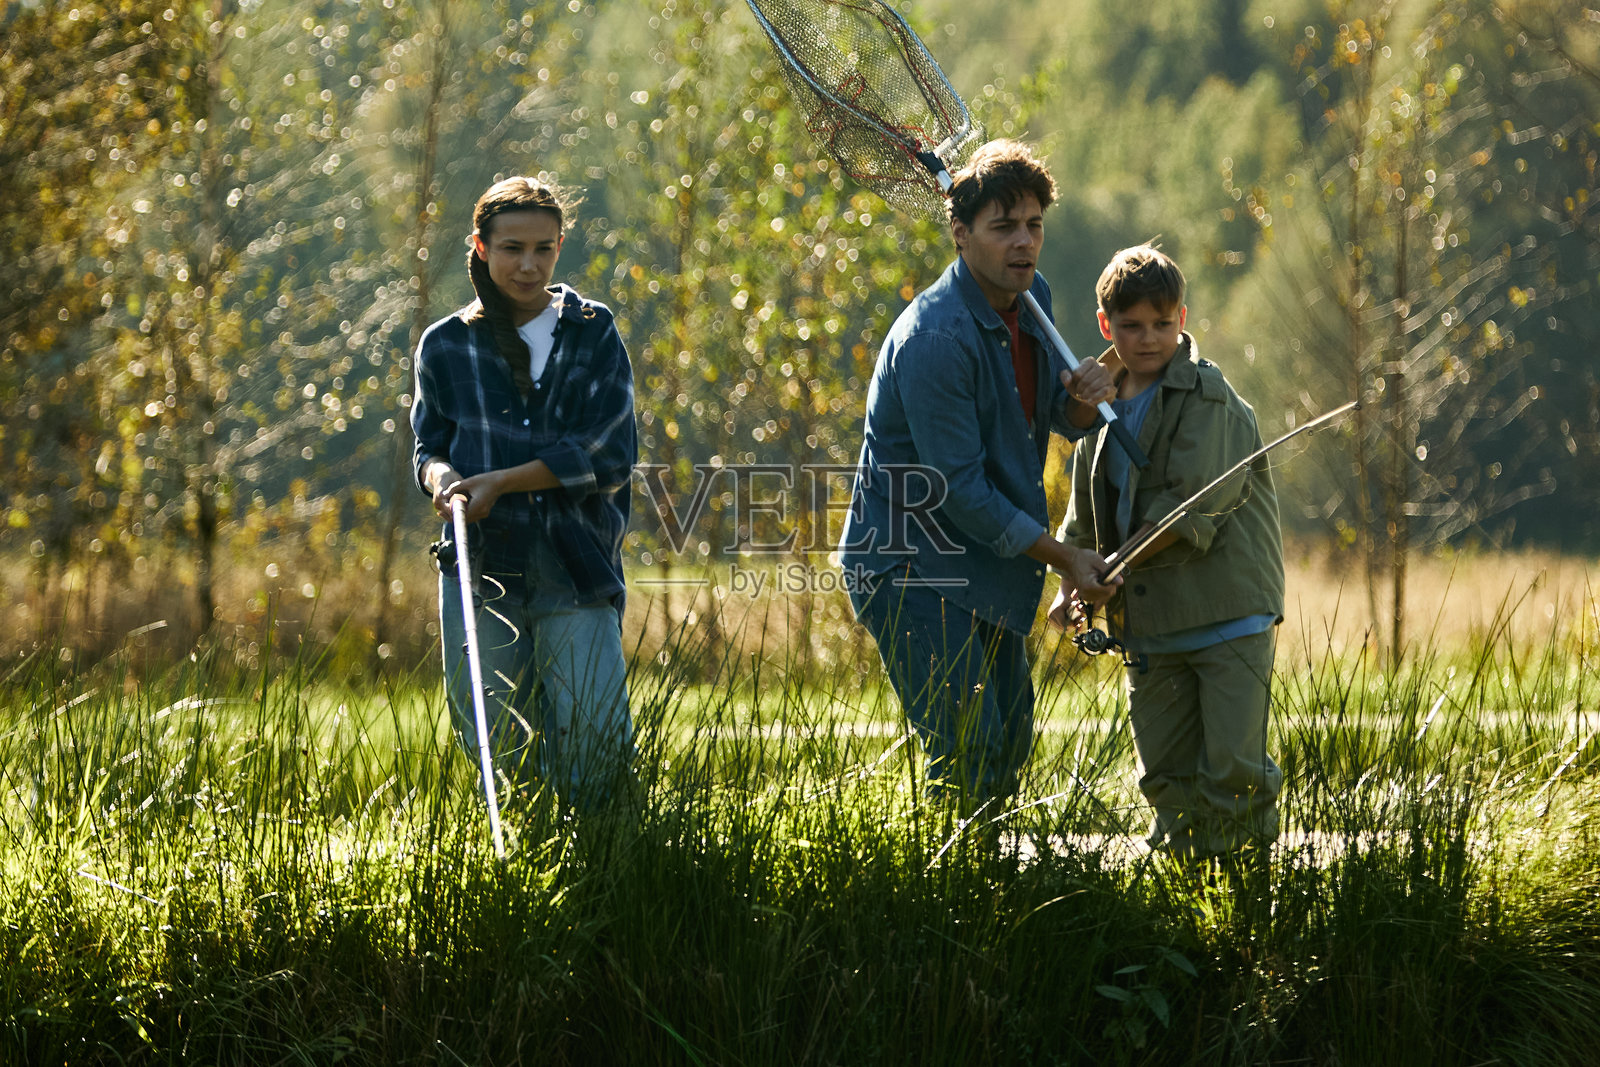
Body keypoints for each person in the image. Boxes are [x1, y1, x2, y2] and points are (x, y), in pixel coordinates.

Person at [839, 140, 1120, 812]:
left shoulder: (1033, 296)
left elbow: (1048, 412)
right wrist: (1063, 558)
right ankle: (950, 904)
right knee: (968, 748)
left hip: (978, 556)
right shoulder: (934, 340)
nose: (1024, 243)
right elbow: (961, 493)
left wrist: (1083, 399)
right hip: (912, 564)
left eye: (1034, 225)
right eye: (1004, 227)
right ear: (961, 234)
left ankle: (991, 892)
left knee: (1010, 742)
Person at [1048, 245, 1284, 864]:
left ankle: (1244, 904)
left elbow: (1186, 512)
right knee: (1165, 782)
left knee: (1233, 773)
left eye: (1161, 323)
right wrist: (1072, 583)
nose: (1147, 338)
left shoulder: (1209, 399)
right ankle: (1182, 903)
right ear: (1106, 326)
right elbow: (1082, 516)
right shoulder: (1095, 405)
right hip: (1151, 626)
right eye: (1130, 325)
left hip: (1226, 615)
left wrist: (1111, 572)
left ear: (1183, 318)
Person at [411, 176, 637, 813]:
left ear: (561, 245)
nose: (529, 265)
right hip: (480, 566)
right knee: (496, 748)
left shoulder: (592, 332)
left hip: (576, 564)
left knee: (596, 746)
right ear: (481, 249)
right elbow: (428, 449)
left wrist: (503, 482)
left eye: (544, 248)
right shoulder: (446, 344)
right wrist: (446, 483)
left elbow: (611, 453)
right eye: (512, 248)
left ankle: (608, 872)